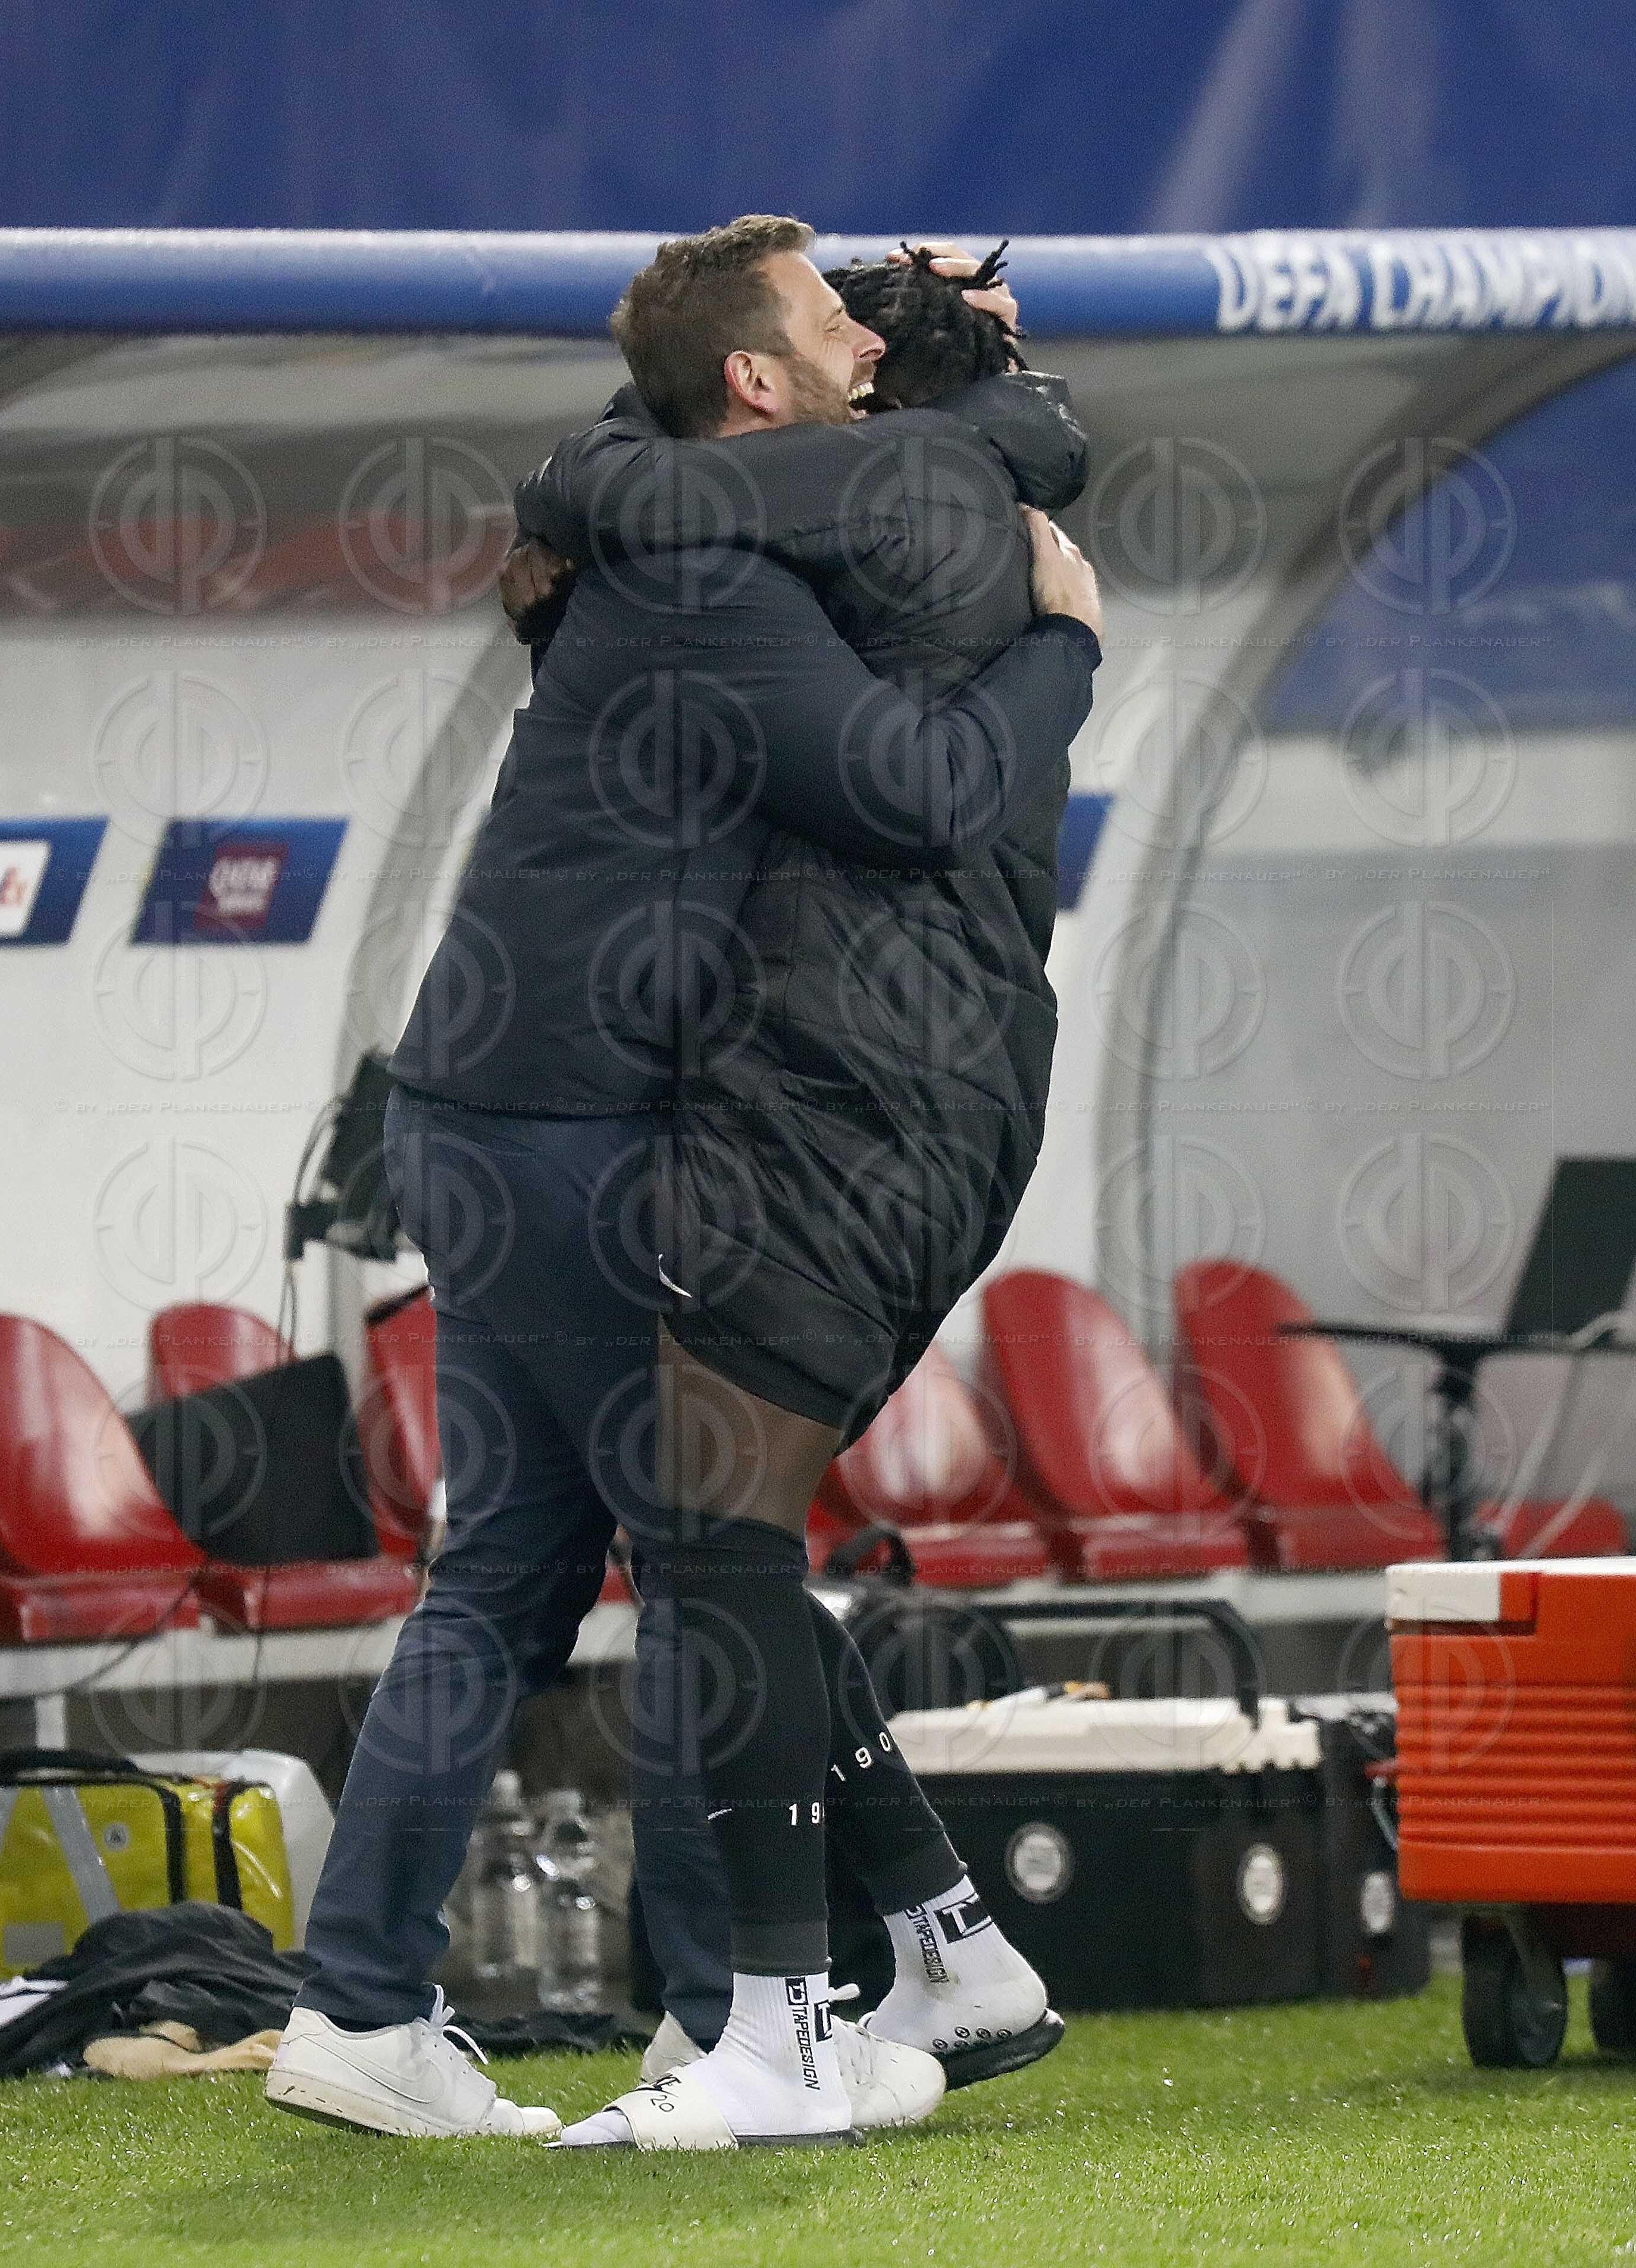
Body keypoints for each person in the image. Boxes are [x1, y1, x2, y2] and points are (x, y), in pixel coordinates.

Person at [265, 217, 1102, 2151]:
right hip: (575, 1119)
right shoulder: (716, 567)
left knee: (527, 1563)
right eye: (828, 328)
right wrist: (1060, 644)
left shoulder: (661, 509)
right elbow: (913, 789)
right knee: (716, 1548)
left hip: (485, 1105)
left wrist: (946, 364)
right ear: (757, 381)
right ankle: (765, 2010)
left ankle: (374, 2006)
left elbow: (699, 448)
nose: (861, 362)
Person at [506, 241, 1100, 2105]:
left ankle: (777, 2026)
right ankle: (948, 1947)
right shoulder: (948, 486)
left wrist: (594, 466)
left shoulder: (904, 474)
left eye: (850, 323)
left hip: (863, 1082)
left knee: (710, 1526)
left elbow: (615, 490)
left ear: (860, 391)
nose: (835, 336)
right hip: (910, 1080)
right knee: (714, 1525)